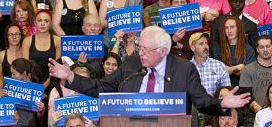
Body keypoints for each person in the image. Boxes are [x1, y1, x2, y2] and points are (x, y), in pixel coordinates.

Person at [48, 25, 252, 116]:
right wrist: (70, 75)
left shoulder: (184, 69)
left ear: (163, 51)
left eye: (146, 50)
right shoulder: (132, 64)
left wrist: (222, 104)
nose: (141, 53)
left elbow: (202, 102)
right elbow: (101, 87)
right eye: (140, 48)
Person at [239, 35, 272, 126]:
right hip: (253, 115)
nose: (265, 50)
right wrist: (264, 113)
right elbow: (246, 96)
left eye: (268, 46)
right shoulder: (248, 69)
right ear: (257, 50)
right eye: (262, 47)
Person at [212, 15, 255, 87]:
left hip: (244, 89)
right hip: (224, 90)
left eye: (232, 27)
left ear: (238, 28)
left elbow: (249, 74)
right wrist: (237, 67)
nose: (229, 31)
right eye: (226, 28)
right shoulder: (217, 50)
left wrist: (228, 69)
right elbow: (218, 73)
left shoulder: (248, 49)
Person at [22, 10, 60, 87]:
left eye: (46, 21)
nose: (42, 24)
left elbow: (57, 68)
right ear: (35, 23)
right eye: (39, 20)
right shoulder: (27, 41)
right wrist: (37, 89)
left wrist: (44, 87)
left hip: (53, 83)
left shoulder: (57, 40)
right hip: (32, 84)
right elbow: (25, 69)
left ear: (50, 24)